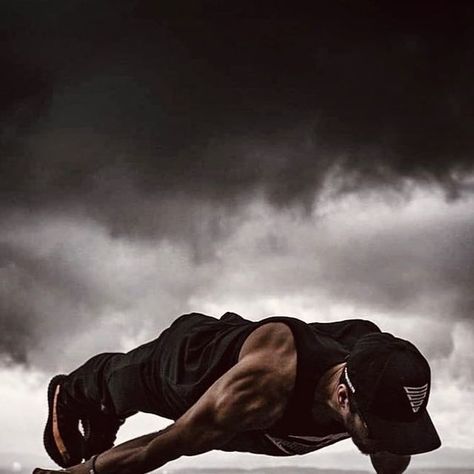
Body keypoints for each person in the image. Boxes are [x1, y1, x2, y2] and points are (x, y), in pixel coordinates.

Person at [34, 312, 441, 474]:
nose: (392, 444)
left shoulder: (382, 381)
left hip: (253, 411)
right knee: (120, 385)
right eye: (382, 429)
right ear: (343, 397)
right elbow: (159, 447)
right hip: (191, 366)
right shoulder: (258, 391)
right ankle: (74, 393)